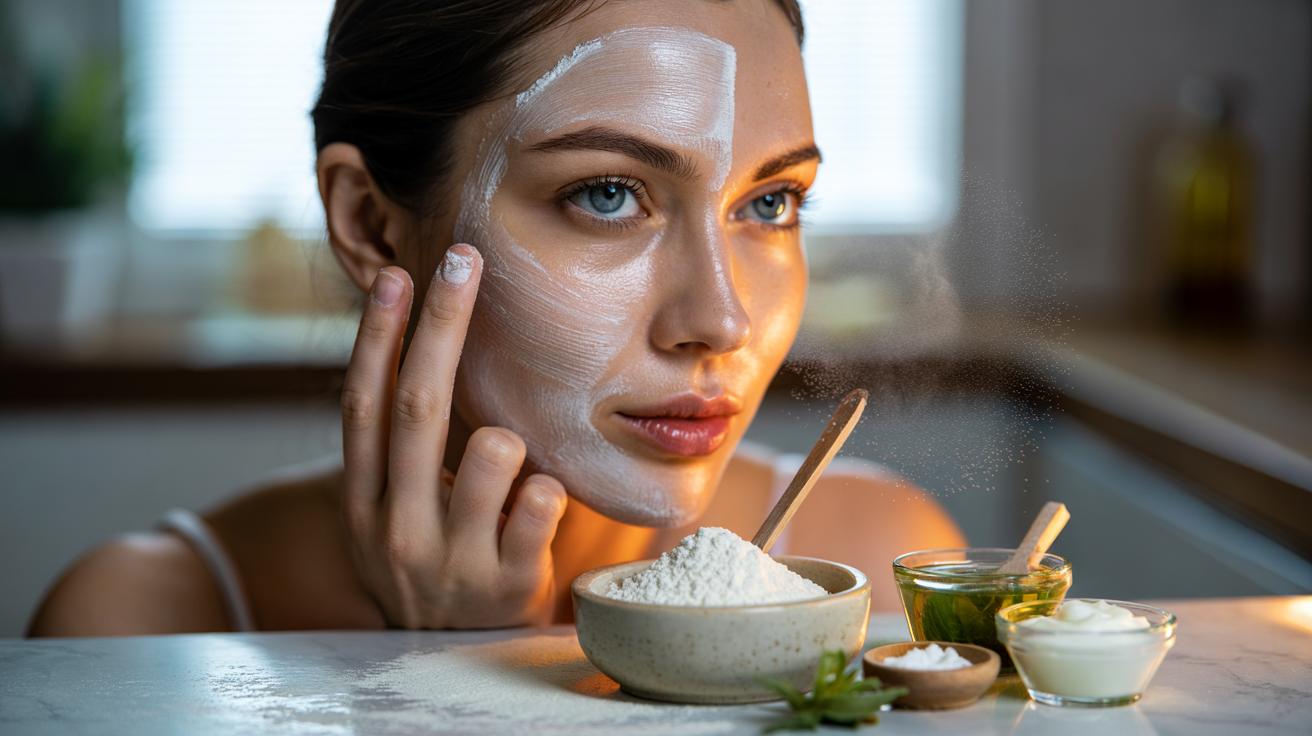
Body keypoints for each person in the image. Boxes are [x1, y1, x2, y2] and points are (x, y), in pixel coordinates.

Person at [29, 0, 962, 637]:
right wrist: (448, 684)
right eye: (606, 194)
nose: (720, 321)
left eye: (771, 203)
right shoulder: (146, 617)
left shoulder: (882, 573)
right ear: (370, 223)